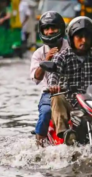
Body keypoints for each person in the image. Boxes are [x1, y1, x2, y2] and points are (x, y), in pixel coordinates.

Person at [29, 11, 68, 146]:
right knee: (45, 112)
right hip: (49, 93)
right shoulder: (39, 54)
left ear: (61, 29)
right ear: (42, 31)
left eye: (53, 28)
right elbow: (36, 79)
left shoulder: (71, 48)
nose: (50, 31)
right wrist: (46, 60)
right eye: (47, 29)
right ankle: (39, 145)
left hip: (73, 90)